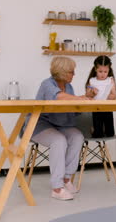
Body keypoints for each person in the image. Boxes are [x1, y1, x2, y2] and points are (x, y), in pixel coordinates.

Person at [25, 56, 92, 201]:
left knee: (77, 137)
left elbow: (70, 103)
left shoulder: (68, 87)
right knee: (59, 141)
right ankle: (56, 187)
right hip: (39, 125)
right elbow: (59, 97)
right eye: (71, 72)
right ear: (62, 72)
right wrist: (80, 99)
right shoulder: (47, 84)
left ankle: (66, 179)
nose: (74, 75)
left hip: (60, 124)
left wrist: (85, 98)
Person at [85, 55, 116, 137]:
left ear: (109, 70)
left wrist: (108, 95)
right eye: (100, 71)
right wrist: (92, 93)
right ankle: (95, 129)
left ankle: (102, 129)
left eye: (105, 72)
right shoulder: (92, 81)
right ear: (95, 69)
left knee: (110, 134)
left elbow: (114, 95)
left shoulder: (110, 80)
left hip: (108, 108)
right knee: (98, 135)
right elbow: (87, 95)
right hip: (96, 109)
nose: (103, 74)